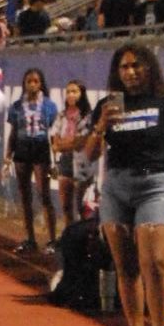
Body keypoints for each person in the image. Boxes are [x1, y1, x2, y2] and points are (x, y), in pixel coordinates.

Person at [83, 43, 164, 326]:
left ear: (149, 68)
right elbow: (89, 155)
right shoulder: (107, 105)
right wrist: (101, 124)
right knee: (126, 266)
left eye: (136, 66)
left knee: (156, 262)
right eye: (124, 67)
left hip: (155, 184)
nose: (130, 72)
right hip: (117, 186)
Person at [4, 67, 58, 253]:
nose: (32, 85)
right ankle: (30, 238)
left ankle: (52, 240)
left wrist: (55, 159)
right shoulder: (17, 106)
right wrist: (7, 156)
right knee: (25, 195)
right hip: (22, 149)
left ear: (41, 83)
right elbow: (12, 134)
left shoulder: (50, 106)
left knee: (44, 194)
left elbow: (54, 133)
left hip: (41, 148)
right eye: (29, 81)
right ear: (24, 84)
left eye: (36, 81)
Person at [50, 79, 95, 228]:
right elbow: (55, 143)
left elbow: (80, 142)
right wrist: (65, 144)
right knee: (66, 207)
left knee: (81, 207)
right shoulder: (62, 115)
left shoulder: (88, 116)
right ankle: (70, 239)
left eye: (74, 91)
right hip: (65, 163)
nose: (71, 95)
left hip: (82, 163)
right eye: (68, 91)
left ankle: (85, 242)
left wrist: (65, 143)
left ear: (82, 94)